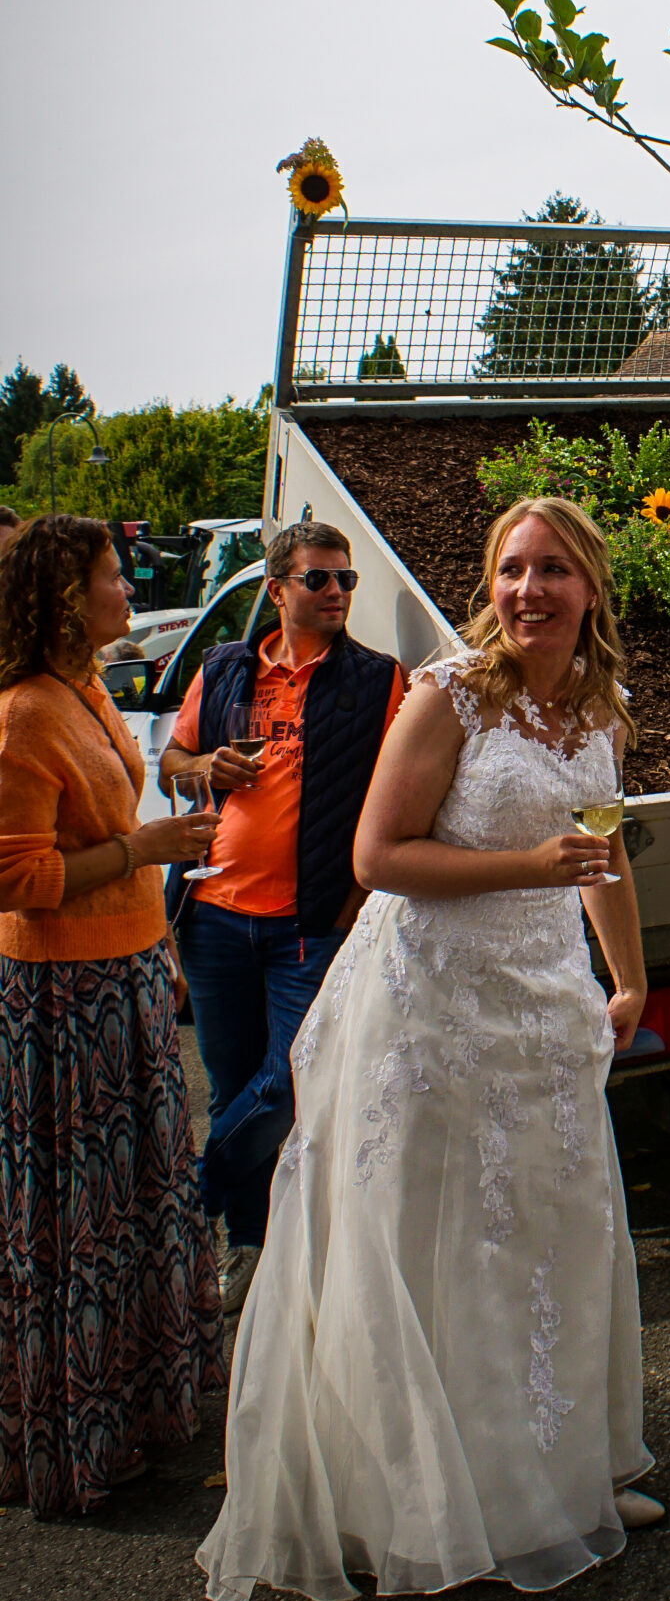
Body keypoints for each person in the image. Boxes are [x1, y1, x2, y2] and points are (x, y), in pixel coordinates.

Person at [196, 495, 657, 1601]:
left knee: (541, 1235)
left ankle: (551, 1471)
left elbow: (601, 855)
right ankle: (422, 1501)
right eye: (511, 569)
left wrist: (630, 975)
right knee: (435, 1239)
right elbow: (378, 857)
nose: (529, 591)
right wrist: (530, 869)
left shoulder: (601, 711)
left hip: (544, 1006)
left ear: (591, 585)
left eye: (553, 569)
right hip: (432, 1008)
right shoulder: (451, 695)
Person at [0, 514, 225, 1516]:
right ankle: (76, 1438)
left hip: (124, 974)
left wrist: (157, 947)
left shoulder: (89, 687)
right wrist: (145, 850)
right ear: (64, 595)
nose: (130, 590)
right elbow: (16, 879)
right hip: (64, 999)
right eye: (113, 575)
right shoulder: (23, 713)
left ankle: (133, 1407)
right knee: (83, 1225)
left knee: (137, 1208)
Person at [160, 521, 405, 1316]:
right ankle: (248, 1245)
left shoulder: (377, 680)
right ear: (276, 590)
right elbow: (172, 763)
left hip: (311, 922)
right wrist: (204, 765)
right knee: (232, 1084)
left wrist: (357, 904)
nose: (336, 592)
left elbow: (397, 797)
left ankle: (194, 1194)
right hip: (214, 917)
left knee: (295, 1082)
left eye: (345, 580)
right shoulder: (226, 667)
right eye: (318, 579)